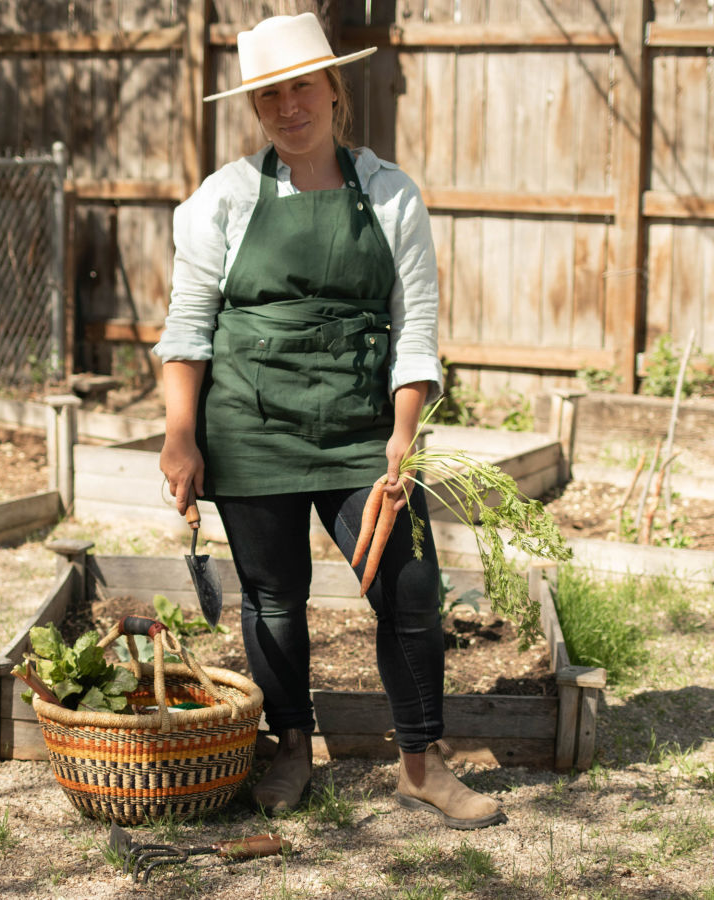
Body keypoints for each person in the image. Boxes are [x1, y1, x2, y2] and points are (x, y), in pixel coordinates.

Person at [152, 12, 504, 830]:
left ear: (334, 90)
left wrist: (402, 438)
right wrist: (180, 435)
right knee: (273, 599)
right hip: (250, 425)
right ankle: (290, 749)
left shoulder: (388, 194)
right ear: (254, 108)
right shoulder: (224, 201)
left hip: (359, 430)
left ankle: (421, 763)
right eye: (269, 94)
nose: (288, 106)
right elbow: (188, 327)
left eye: (302, 85)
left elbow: (415, 327)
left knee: (410, 588)